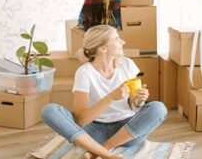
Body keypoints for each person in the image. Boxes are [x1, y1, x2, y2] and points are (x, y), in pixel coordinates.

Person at [42, 25, 167, 159]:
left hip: (126, 132)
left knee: (158, 108)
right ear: (103, 48)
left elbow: (134, 107)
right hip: (92, 132)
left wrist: (138, 100)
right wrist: (110, 98)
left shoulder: (127, 64)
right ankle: (106, 154)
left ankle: (101, 150)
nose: (122, 42)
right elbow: (81, 120)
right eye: (117, 39)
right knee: (50, 111)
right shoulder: (85, 72)